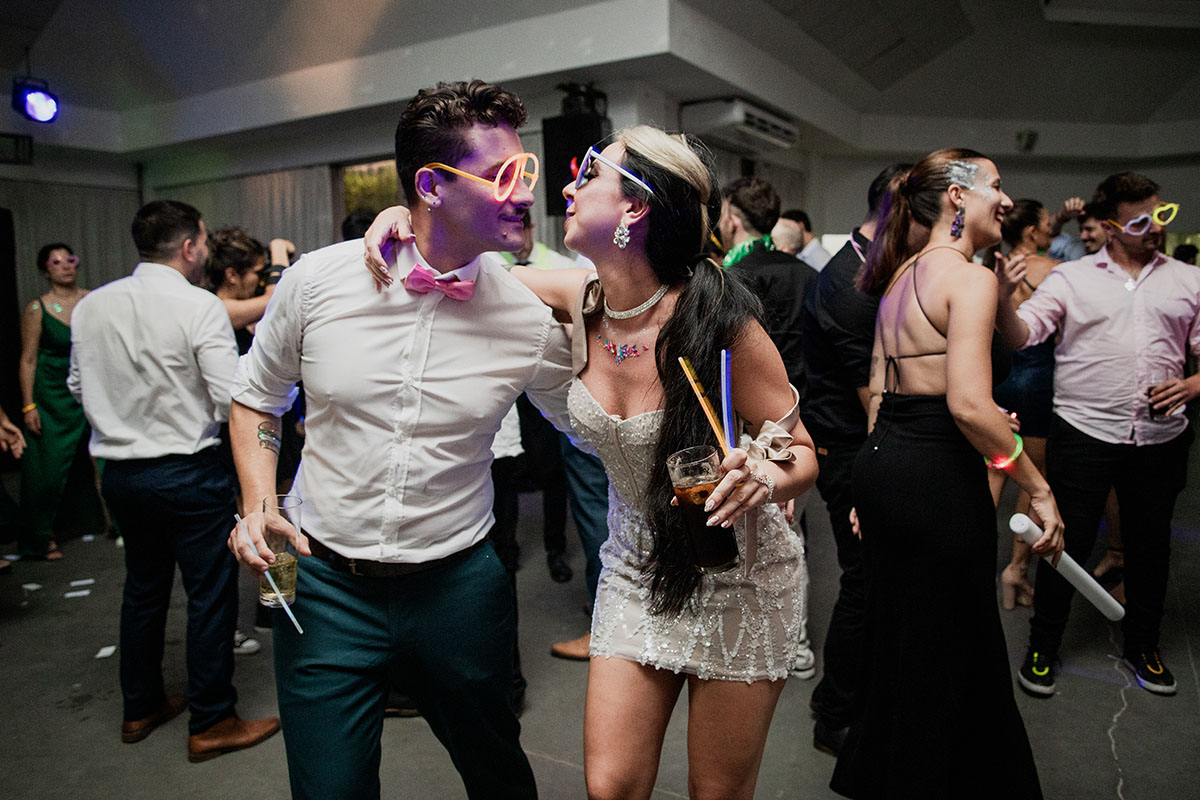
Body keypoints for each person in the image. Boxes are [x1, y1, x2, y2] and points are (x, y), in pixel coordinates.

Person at [365, 125, 819, 799]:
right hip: (636, 566)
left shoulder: (719, 321)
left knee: (716, 793)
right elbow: (468, 267)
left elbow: (803, 451)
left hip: (739, 572)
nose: (569, 186)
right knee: (610, 786)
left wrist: (765, 475)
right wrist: (408, 214)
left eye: (588, 173)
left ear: (635, 207)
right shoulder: (580, 299)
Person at [228, 80, 574, 800]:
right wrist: (259, 499)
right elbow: (256, 397)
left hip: (459, 585)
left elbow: (593, 429)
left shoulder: (524, 314)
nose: (522, 193)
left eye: (526, 172)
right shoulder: (318, 282)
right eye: (502, 175)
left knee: (498, 773)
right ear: (431, 185)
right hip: (320, 587)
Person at [831, 148, 1063, 799]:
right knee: (961, 643)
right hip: (935, 473)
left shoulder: (901, 275)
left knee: (905, 637)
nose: (1007, 200)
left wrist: (866, 488)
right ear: (957, 198)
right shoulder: (964, 280)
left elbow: (881, 392)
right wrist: (1036, 484)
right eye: (995, 185)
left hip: (887, 467)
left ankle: (898, 774)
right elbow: (968, 406)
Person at [67, 200, 280, 760]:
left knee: (143, 589)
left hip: (119, 475)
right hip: (186, 472)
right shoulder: (199, 306)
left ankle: (139, 706)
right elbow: (229, 395)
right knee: (209, 595)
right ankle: (212, 720)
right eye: (203, 242)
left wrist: (123, 415)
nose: (205, 251)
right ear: (189, 247)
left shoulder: (92, 305)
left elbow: (75, 385)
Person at [996, 171, 1200, 697]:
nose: (1154, 227)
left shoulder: (1187, 280)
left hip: (1159, 441)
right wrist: (1000, 297)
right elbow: (1023, 335)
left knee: (1151, 548)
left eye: (1161, 214)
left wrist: (1193, 384)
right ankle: (1043, 648)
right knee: (1066, 543)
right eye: (1139, 220)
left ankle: (1144, 648)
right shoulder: (1072, 279)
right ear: (1109, 227)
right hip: (1085, 435)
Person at [798, 162, 908, 757]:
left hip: (857, 445)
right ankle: (834, 714)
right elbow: (879, 402)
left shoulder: (872, 272)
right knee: (864, 584)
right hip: (849, 452)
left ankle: (844, 698)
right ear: (897, 213)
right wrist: (874, 482)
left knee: (873, 582)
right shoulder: (850, 286)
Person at [719, 176, 817, 679]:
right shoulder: (805, 271)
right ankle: (795, 641)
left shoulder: (733, 279)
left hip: (757, 421)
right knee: (789, 529)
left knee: (767, 527)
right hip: (801, 410)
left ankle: (782, 637)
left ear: (732, 217)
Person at [17, 243, 107, 560]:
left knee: (105, 457)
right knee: (48, 466)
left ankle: (116, 523)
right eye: (56, 262)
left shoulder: (92, 300)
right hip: (51, 394)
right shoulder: (37, 309)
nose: (66, 266)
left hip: (89, 386)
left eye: (70, 259)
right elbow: (28, 360)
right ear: (45, 271)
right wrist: (28, 406)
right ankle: (39, 537)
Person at [992, 199, 1061, 610]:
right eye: (1048, 224)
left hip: (999, 375)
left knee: (994, 469)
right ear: (1032, 232)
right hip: (1037, 378)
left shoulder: (989, 269)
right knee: (1031, 474)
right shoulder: (1054, 273)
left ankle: (971, 560)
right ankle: (1016, 567)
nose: (1051, 231)